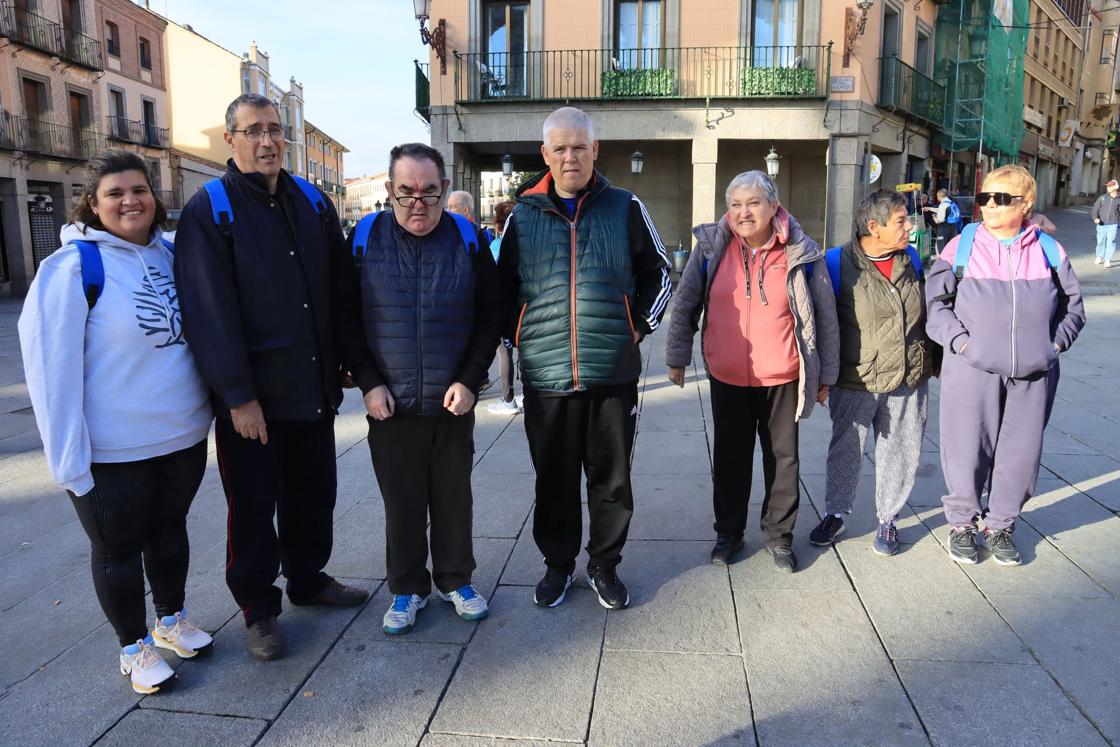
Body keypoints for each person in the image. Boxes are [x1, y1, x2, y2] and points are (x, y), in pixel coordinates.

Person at [174, 94, 368, 661]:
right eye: (253, 131)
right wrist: (237, 395)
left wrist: (348, 360)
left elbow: (339, 295)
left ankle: (308, 577)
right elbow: (207, 313)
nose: (267, 141)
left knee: (314, 495)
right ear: (230, 140)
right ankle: (259, 609)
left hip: (310, 388)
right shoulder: (211, 209)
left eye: (275, 130)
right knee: (253, 507)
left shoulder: (313, 201)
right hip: (252, 403)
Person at [18, 149, 214, 694]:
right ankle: (133, 646)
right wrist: (67, 456)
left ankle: (170, 620)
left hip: (180, 436)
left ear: (155, 197)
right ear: (93, 203)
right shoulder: (73, 268)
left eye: (140, 190)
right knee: (118, 549)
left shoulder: (172, 254)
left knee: (170, 534)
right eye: (115, 193)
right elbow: (49, 367)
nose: (130, 201)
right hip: (112, 449)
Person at [497, 106, 672, 609]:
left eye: (579, 146)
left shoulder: (625, 206)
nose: (570, 156)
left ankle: (604, 564)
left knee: (611, 479)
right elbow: (499, 288)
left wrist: (637, 327)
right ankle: (558, 565)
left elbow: (659, 273)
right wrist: (521, 335)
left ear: (595, 150)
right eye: (560, 148)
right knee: (553, 479)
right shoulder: (523, 215)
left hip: (611, 373)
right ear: (545, 154)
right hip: (547, 375)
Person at [334, 143, 502, 635]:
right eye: (405, 193)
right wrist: (368, 383)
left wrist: (471, 380)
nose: (418, 205)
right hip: (390, 403)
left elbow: (490, 314)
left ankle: (456, 579)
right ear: (389, 191)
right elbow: (346, 317)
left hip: (452, 401)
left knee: (454, 496)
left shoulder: (468, 239)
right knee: (402, 502)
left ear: (444, 189)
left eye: (429, 193)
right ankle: (407, 588)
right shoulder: (364, 238)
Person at [664, 171, 839, 572]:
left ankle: (779, 537)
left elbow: (825, 315)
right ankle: (729, 534)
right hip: (727, 373)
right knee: (730, 458)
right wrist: (677, 356)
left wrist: (825, 375)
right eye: (736, 205)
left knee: (783, 459)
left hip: (782, 375)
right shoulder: (710, 248)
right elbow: (687, 299)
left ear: (774, 206)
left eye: (753, 203)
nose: (744, 213)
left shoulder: (800, 250)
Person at [926, 165, 1085, 566]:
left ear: (1025, 203)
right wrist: (962, 345)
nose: (990, 206)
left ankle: (1001, 525)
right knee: (966, 447)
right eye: (984, 198)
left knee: (1021, 452)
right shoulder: (961, 247)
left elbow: (1073, 309)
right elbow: (935, 306)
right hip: (972, 369)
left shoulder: (1049, 250)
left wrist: (1053, 344)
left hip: (1035, 373)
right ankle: (962, 524)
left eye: (1001, 198)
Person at [808, 190, 938, 556]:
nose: (909, 226)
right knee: (846, 448)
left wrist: (936, 359)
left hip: (908, 376)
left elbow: (929, 312)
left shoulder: (911, 257)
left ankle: (888, 518)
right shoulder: (835, 263)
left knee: (900, 449)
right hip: (856, 378)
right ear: (873, 227)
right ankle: (836, 512)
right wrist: (821, 376)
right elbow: (821, 326)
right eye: (901, 221)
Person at [486, 200, 523, 415]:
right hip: (524, 306)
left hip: (503, 307)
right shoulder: (527, 243)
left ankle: (508, 399)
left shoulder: (496, 246)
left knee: (504, 352)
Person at [1091, 179, 1119, 267]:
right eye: (1107, 186)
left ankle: (1107, 260)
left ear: (1116, 187)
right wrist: (1095, 218)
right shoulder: (1102, 198)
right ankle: (1099, 256)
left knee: (1111, 241)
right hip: (1101, 224)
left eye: (1110, 186)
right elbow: (1095, 209)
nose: (1108, 187)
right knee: (1100, 241)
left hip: (1113, 224)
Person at [929, 188, 961, 255]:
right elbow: (943, 211)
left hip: (944, 229)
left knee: (941, 248)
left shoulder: (943, 205)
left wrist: (935, 218)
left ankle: (943, 263)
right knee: (951, 247)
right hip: (953, 228)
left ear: (939, 196)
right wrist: (929, 208)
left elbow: (940, 219)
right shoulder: (951, 203)